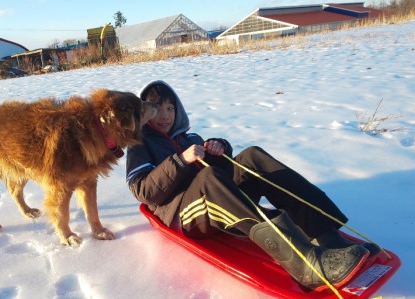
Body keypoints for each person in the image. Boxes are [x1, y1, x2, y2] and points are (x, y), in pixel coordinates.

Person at [126, 80, 374, 291]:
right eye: (157, 109)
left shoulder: (189, 138)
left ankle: (327, 235)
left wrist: (218, 148)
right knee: (208, 178)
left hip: (214, 198)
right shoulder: (140, 144)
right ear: (145, 113)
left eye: (170, 108)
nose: (166, 115)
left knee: (252, 156)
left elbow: (221, 168)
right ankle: (306, 265)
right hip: (185, 215)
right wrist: (180, 160)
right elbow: (143, 191)